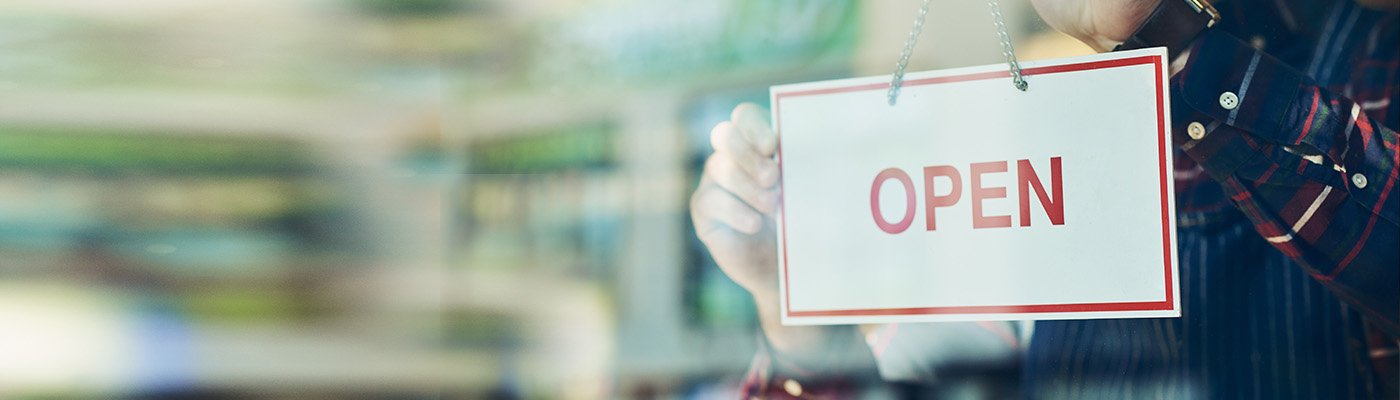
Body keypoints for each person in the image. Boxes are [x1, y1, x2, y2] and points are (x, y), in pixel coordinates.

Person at [689, 0, 1399, 398]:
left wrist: (1170, 35)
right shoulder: (1052, 124)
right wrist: (794, 296)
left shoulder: (1379, 57)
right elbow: (938, 378)